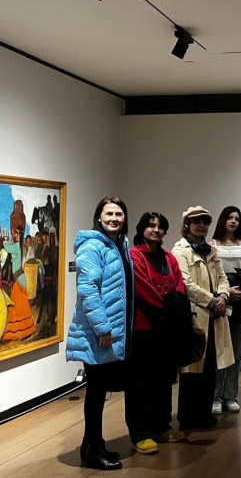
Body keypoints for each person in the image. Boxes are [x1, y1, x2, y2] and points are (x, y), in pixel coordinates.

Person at [65, 196, 133, 471]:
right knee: (96, 391)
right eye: (109, 214)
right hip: (98, 332)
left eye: (119, 214)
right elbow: (88, 290)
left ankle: (91, 446)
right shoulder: (92, 246)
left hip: (112, 330)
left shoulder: (119, 245)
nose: (114, 218)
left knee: (99, 390)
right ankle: (93, 448)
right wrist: (103, 327)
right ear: (99, 217)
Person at [125, 212, 187, 455]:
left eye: (160, 227)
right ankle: (140, 434)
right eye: (151, 225)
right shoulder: (135, 255)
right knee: (140, 383)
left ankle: (162, 426)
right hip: (144, 328)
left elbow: (179, 284)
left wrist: (173, 306)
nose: (155, 230)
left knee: (164, 379)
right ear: (141, 229)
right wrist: (168, 306)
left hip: (167, 327)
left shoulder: (169, 256)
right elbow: (142, 288)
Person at [172, 206, 234, 430]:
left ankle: (204, 413)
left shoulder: (211, 251)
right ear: (187, 225)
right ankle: (189, 418)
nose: (202, 226)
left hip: (215, 316)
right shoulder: (180, 250)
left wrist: (224, 297)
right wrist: (212, 300)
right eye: (197, 222)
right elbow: (185, 283)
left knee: (210, 367)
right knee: (193, 368)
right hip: (196, 316)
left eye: (205, 222)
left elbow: (223, 278)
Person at [210, 206, 241, 415]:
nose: (234, 221)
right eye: (230, 217)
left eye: (237, 218)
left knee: (236, 352)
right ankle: (216, 397)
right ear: (222, 220)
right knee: (219, 351)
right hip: (219, 302)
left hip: (240, 303)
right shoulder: (211, 245)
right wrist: (227, 291)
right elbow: (210, 274)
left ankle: (231, 395)